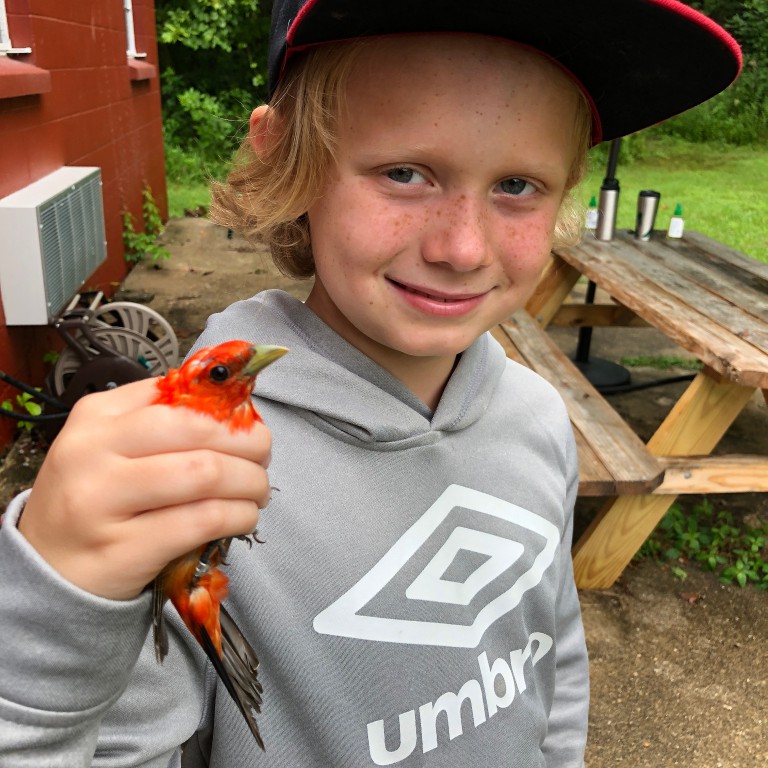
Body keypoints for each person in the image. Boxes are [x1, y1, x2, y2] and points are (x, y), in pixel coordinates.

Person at [0, 1, 741, 766]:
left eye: (518, 184)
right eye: (404, 173)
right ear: (287, 159)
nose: (461, 246)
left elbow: (549, 659)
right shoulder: (191, 476)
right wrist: (51, 631)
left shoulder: (540, 418)